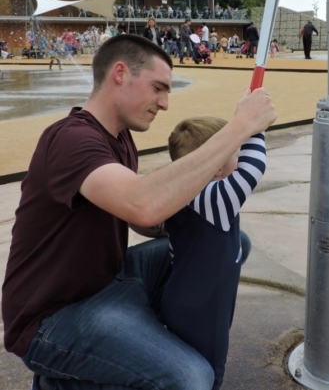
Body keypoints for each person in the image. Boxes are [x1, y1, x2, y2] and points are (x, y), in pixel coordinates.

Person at [1, 34, 277, 389]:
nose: (164, 103)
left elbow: (139, 215)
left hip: (110, 279)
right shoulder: (70, 140)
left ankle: (137, 347)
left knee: (232, 242)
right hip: (54, 314)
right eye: (158, 88)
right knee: (192, 378)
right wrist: (242, 127)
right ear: (120, 73)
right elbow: (142, 205)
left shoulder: (119, 139)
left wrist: (191, 221)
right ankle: (66, 377)